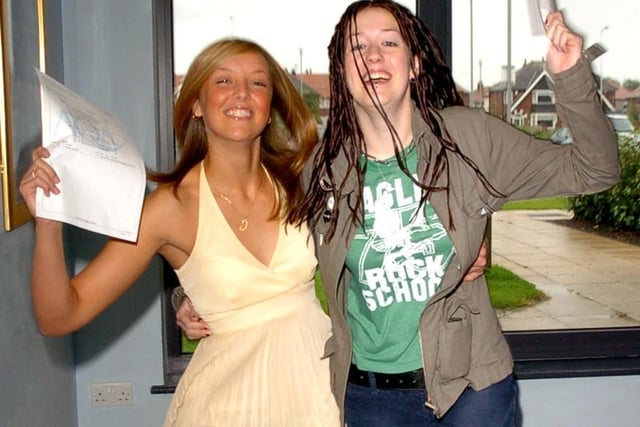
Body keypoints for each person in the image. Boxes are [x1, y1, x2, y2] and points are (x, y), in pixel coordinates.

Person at [289, 1, 618, 426]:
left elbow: (595, 169)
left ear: (414, 65)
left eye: (389, 42)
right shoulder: (322, 170)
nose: (373, 55)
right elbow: (272, 257)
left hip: (471, 391)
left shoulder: (468, 139)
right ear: (340, 70)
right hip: (372, 400)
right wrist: (190, 300)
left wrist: (570, 76)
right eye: (357, 46)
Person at [19, 38, 341, 426]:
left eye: (258, 83)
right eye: (223, 81)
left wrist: (182, 297)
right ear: (196, 105)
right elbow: (60, 315)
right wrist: (49, 224)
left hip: (317, 395)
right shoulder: (169, 209)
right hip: (225, 409)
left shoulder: (303, 182)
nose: (242, 93)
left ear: (270, 108)